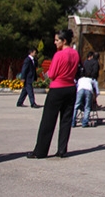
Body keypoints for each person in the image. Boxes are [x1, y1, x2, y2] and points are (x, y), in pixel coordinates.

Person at [27, 29, 80, 159]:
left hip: (57, 88)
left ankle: (40, 151)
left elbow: (51, 74)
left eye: (57, 40)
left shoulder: (59, 55)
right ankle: (62, 150)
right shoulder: (75, 54)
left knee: (48, 120)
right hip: (71, 88)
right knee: (66, 120)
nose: (55, 42)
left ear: (64, 41)